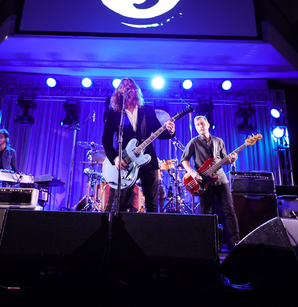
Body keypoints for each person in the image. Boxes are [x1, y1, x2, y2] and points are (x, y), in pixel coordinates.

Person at [101, 77, 175, 213]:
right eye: (123, 86)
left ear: (136, 90)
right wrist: (115, 158)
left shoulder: (147, 110)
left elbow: (160, 133)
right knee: (121, 205)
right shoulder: (113, 113)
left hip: (148, 160)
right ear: (119, 92)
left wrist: (171, 131)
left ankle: (150, 233)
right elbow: (106, 139)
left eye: (130, 86)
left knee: (152, 204)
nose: (127, 88)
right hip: (125, 162)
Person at [180, 115, 240, 250]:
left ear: (207, 124)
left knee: (229, 210)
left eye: (202, 123)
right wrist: (193, 173)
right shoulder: (193, 142)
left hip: (221, 179)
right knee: (206, 212)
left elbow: (226, 160)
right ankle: (207, 245)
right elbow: (184, 160)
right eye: (197, 125)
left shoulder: (219, 141)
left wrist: (232, 159)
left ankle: (236, 243)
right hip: (202, 182)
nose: (200, 126)